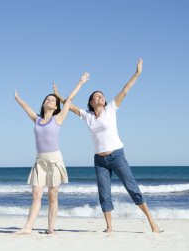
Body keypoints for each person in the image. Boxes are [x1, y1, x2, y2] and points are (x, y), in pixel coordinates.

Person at [53, 59, 160, 233]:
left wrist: (137, 73)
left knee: (132, 188)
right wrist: (58, 96)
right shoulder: (87, 116)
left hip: (117, 156)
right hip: (100, 160)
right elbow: (70, 106)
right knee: (104, 193)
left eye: (102, 96)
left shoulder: (111, 109)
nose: (101, 97)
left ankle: (152, 223)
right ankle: (109, 227)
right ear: (92, 102)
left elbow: (124, 90)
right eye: (97, 96)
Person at [14, 72, 90, 235]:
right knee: (36, 194)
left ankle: (50, 229)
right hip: (40, 161)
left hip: (55, 160)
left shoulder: (58, 118)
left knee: (52, 196)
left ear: (56, 107)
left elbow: (68, 100)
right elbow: (26, 107)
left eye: (53, 100)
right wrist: (18, 98)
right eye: (47, 99)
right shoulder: (37, 119)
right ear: (43, 104)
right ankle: (27, 228)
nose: (49, 100)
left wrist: (80, 82)